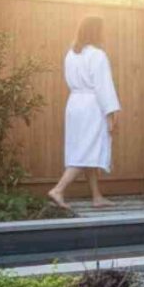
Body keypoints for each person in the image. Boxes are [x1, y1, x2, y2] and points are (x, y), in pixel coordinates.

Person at [47, 15, 121, 209]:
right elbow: (103, 86)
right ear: (97, 31)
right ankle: (58, 190)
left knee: (87, 148)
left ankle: (97, 196)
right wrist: (112, 112)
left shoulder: (71, 54)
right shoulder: (97, 54)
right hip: (92, 105)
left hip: (75, 104)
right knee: (87, 149)